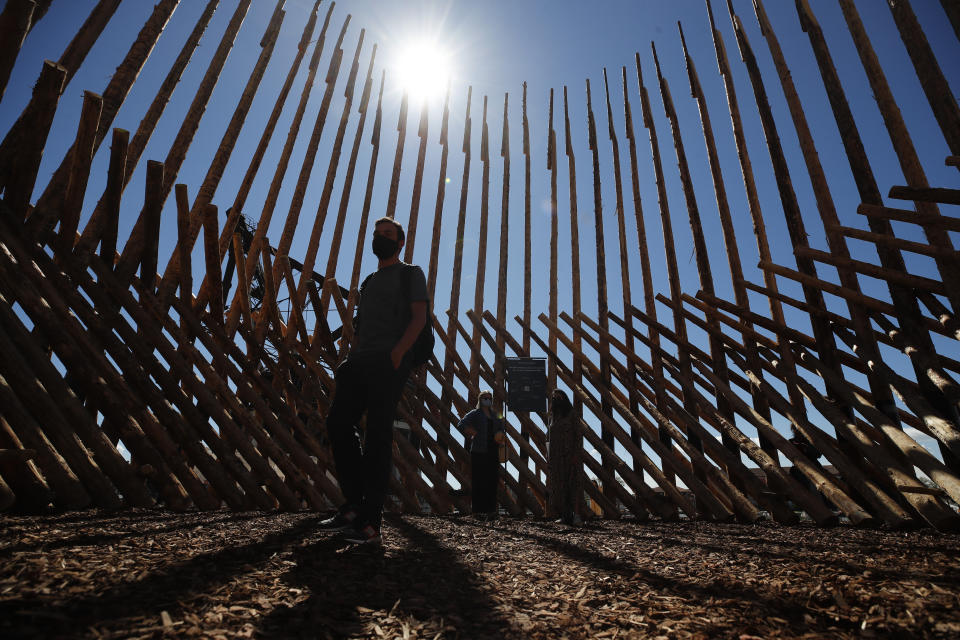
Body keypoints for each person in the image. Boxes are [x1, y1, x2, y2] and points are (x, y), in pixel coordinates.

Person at [320, 217, 428, 545]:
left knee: (378, 434)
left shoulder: (411, 273)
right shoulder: (368, 281)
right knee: (338, 424)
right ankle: (353, 506)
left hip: (389, 361)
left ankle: (370, 524)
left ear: (400, 243)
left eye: (387, 234)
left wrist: (398, 353)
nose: (380, 238)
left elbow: (419, 317)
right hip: (360, 361)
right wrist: (350, 357)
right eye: (377, 234)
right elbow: (364, 326)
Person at [457, 390, 505, 517]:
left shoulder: (495, 414)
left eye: (489, 398)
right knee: (479, 480)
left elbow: (501, 426)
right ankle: (478, 510)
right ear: (480, 399)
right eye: (485, 398)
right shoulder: (475, 413)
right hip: (479, 450)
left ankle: (491, 510)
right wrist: (472, 432)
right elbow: (461, 424)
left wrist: (500, 434)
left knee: (492, 480)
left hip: (493, 450)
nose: (487, 400)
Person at [546, 389, 582, 525]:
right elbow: (548, 438)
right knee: (559, 486)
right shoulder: (552, 417)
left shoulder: (572, 414)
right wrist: (548, 455)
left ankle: (577, 515)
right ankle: (564, 515)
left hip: (569, 455)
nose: (556, 399)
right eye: (554, 398)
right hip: (556, 457)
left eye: (559, 397)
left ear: (565, 398)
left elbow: (578, 435)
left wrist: (575, 454)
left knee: (573, 484)